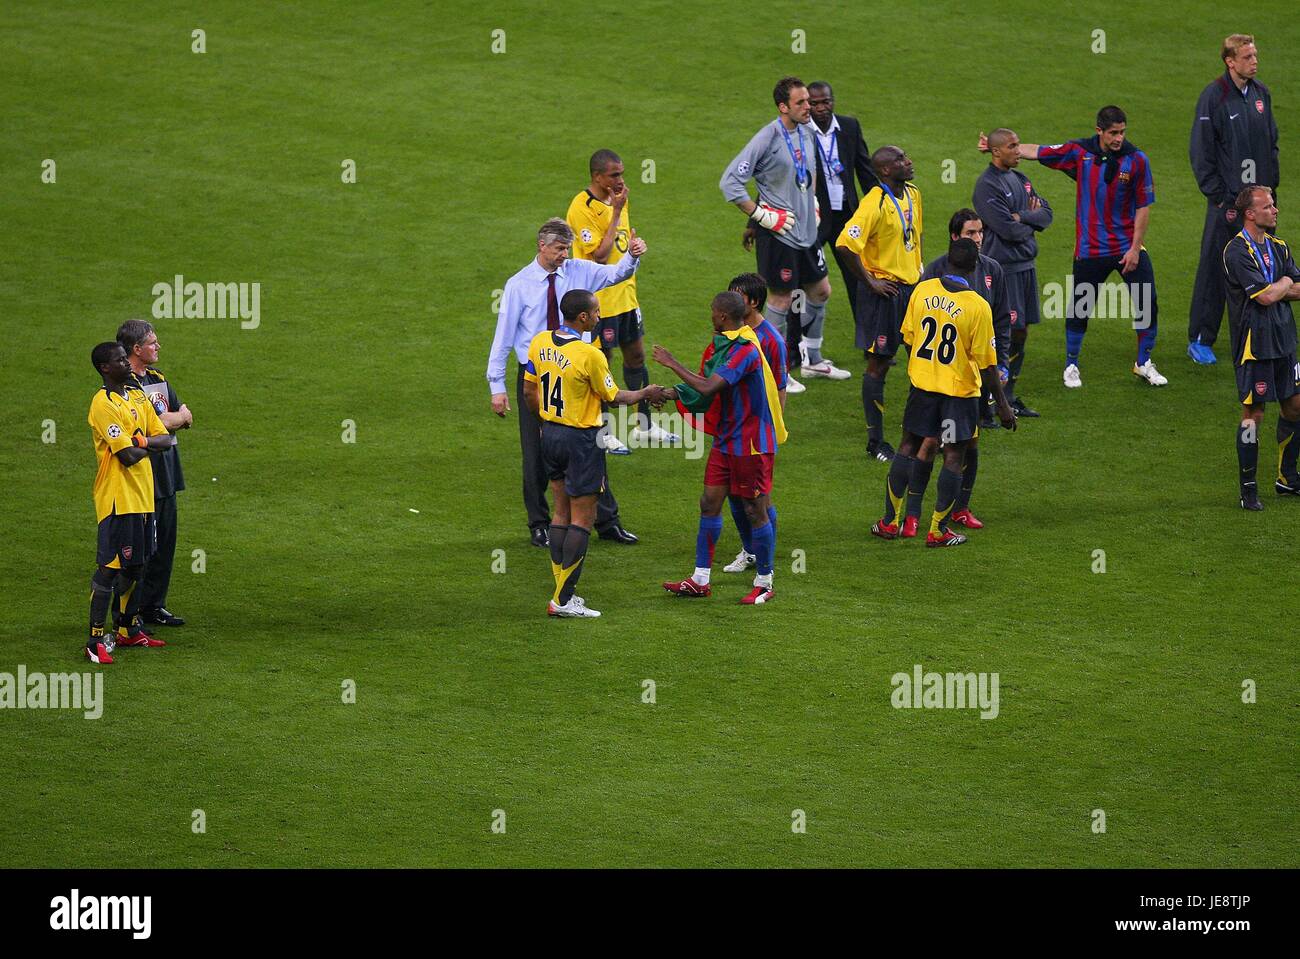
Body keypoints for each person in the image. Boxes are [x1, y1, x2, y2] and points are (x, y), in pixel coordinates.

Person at [487, 218, 646, 548]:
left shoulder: (579, 270)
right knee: (535, 451)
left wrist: (631, 256)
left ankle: (607, 521)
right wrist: (497, 386)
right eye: (559, 249)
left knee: (592, 446)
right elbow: (503, 338)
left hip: (579, 375)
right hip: (537, 377)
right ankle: (538, 523)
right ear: (541, 246)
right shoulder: (518, 284)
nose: (565, 255)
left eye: (567, 248)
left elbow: (617, 274)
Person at [982, 107, 1167, 389]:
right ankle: (1071, 364)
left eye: (1122, 132)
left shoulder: (1137, 160)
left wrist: (1135, 247)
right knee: (1081, 306)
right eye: (1113, 133)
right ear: (1099, 131)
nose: (1119, 138)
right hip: (1090, 248)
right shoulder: (1080, 152)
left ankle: (1143, 362)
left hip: (1127, 248)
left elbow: (1143, 206)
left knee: (1146, 303)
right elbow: (1040, 151)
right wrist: (1004, 149)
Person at [523, 291, 671, 617]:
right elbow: (614, 396)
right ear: (584, 318)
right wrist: (646, 392)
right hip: (581, 441)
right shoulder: (590, 355)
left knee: (560, 513)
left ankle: (561, 593)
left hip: (550, 434)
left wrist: (545, 421)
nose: (601, 316)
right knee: (583, 519)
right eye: (597, 312)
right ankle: (562, 600)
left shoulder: (540, 342)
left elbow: (529, 390)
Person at [871, 239, 1015, 547]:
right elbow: (988, 366)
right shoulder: (978, 306)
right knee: (953, 454)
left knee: (907, 446)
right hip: (958, 395)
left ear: (947, 260)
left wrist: (927, 366)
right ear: (975, 266)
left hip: (922, 388)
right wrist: (1003, 406)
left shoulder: (923, 289)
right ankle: (937, 530)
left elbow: (908, 337)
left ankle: (889, 522)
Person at [653, 292, 787, 604]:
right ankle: (700, 579)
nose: (710, 316)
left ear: (723, 317)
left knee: (756, 508)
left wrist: (671, 363)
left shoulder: (745, 350)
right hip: (728, 440)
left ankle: (765, 582)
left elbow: (709, 386)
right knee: (709, 502)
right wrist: (668, 393)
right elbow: (706, 384)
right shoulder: (728, 343)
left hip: (751, 444)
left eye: (713, 312)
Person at [721, 77, 843, 390]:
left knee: (821, 290)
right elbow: (730, 183)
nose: (809, 107)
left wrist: (812, 200)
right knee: (780, 300)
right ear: (783, 107)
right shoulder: (767, 137)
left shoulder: (806, 132)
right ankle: (775, 371)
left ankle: (812, 359)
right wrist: (761, 215)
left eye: (809, 102)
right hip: (778, 234)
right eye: (801, 103)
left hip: (806, 230)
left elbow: (811, 171)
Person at [900, 211, 1012, 537]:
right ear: (955, 237)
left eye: (980, 232)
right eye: (970, 233)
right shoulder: (937, 272)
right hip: (957, 385)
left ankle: (953, 511)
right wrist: (1003, 404)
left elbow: (1001, 321)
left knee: (964, 446)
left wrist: (1001, 363)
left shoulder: (992, 270)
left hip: (965, 382)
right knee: (939, 446)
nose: (977, 238)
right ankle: (927, 522)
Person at [566, 149, 679, 447]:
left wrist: (635, 247)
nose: (620, 180)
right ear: (597, 176)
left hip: (626, 295)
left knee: (637, 356)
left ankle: (644, 425)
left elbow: (620, 242)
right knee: (601, 362)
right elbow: (599, 257)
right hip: (598, 301)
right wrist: (616, 211)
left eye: (622, 173)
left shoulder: (618, 197)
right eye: (614, 175)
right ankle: (603, 432)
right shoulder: (581, 207)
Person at [1189, 34, 1281, 365]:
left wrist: (1271, 193)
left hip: (1260, 204)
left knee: (1263, 266)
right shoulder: (1214, 97)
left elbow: (1271, 144)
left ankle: (1256, 335)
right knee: (1216, 268)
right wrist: (1219, 197)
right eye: (1247, 56)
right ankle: (1200, 338)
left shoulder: (1261, 95)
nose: (1254, 61)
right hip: (1227, 204)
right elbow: (1201, 152)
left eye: (1255, 55)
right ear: (1230, 61)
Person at [85, 342, 177, 663]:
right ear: (105, 368)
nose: (127, 363)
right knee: (109, 569)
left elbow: (166, 437)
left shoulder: (137, 395)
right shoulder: (102, 404)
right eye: (120, 360)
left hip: (142, 496)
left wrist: (142, 441)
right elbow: (125, 456)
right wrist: (147, 443)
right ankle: (95, 640)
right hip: (116, 499)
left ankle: (126, 630)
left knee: (136, 566)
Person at [836, 145, 924, 461]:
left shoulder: (912, 194)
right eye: (901, 159)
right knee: (879, 364)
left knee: (924, 362)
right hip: (884, 295)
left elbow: (914, 234)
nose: (909, 161)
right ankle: (876, 442)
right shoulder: (875, 202)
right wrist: (870, 281)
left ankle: (922, 434)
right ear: (885, 170)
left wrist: (919, 268)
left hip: (912, 291)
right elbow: (845, 244)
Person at [1221, 186, 1300, 510]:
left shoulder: (1279, 247)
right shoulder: (1236, 251)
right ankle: (1248, 487)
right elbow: (1266, 296)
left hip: (1284, 341)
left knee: (1295, 407)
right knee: (1253, 414)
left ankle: (1287, 477)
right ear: (1250, 214)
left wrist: (1278, 287)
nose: (1275, 210)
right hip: (1255, 346)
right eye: (1268, 206)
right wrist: (1281, 285)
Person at [116, 320, 192, 628]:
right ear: (136, 349)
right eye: (152, 343)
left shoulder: (157, 378)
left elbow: (184, 415)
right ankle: (129, 613)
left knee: (165, 546)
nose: (158, 347)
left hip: (167, 472)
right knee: (143, 549)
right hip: (143, 476)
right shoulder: (127, 386)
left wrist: (175, 418)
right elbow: (155, 426)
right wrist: (175, 419)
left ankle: (154, 606)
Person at [974, 127, 1053, 416]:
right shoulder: (987, 185)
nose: (1019, 150)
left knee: (1021, 331)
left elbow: (1047, 213)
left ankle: (1008, 395)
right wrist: (1029, 221)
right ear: (996, 152)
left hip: (1025, 267)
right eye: (1012, 146)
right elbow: (1007, 228)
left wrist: (1025, 216)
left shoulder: (1020, 179)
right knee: (1000, 333)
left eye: (1019, 144)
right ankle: (990, 399)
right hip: (1002, 269)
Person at [722, 273, 787, 574]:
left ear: (753, 301)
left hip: (757, 432)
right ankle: (750, 551)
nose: (732, 300)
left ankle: (764, 562)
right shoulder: (730, 331)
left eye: (738, 295)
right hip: (731, 426)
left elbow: (780, 387)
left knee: (759, 497)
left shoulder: (771, 340)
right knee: (734, 493)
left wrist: (773, 430)